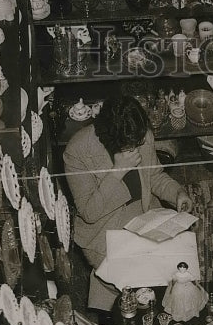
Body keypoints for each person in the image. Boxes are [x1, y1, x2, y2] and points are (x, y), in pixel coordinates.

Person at [63, 95, 193, 310]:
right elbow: (89, 212)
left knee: (175, 267)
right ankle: (111, 303)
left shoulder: (142, 135)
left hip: (144, 214)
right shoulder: (78, 151)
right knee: (138, 285)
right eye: (129, 145)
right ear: (108, 137)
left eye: (138, 143)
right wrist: (117, 172)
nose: (136, 147)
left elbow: (155, 176)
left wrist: (177, 193)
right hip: (104, 228)